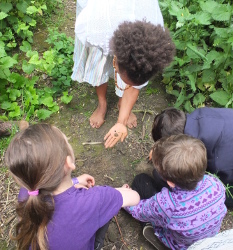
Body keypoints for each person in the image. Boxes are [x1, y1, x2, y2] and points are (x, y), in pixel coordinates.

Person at [4, 124, 140, 250]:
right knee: (104, 210)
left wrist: (75, 181)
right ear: (68, 162)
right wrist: (115, 193)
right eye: (67, 142)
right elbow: (135, 198)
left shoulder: (28, 192)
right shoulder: (96, 199)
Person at [72, 0, 175, 148]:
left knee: (131, 74)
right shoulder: (93, 28)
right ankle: (102, 103)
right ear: (116, 60)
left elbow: (136, 78)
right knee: (98, 63)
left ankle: (123, 104)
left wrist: (121, 122)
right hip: (101, 13)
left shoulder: (152, 35)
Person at [124, 134, 227, 250]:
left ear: (171, 183)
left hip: (180, 244)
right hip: (206, 236)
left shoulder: (167, 204)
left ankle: (161, 240)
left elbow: (141, 212)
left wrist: (122, 199)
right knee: (156, 175)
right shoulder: (215, 183)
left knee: (141, 180)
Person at [151, 107, 233, 207]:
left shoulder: (218, 163)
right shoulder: (201, 113)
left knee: (162, 175)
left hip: (228, 180)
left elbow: (221, 184)